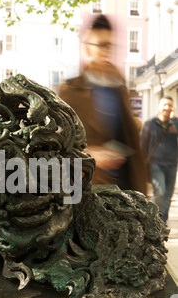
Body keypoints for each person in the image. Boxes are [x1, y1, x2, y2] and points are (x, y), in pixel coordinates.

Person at [58, 14, 147, 194]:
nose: (106, 50)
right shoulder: (69, 90)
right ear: (87, 47)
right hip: (88, 185)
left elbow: (129, 138)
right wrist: (91, 154)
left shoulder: (120, 86)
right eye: (101, 44)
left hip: (125, 184)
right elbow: (58, 143)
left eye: (110, 45)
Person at [140, 96, 178, 223]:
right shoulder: (150, 124)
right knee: (160, 192)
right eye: (164, 105)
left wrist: (175, 120)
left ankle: (162, 221)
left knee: (168, 195)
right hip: (156, 164)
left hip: (172, 164)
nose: (167, 107)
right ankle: (154, 218)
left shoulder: (175, 124)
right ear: (159, 107)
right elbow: (142, 145)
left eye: (170, 105)